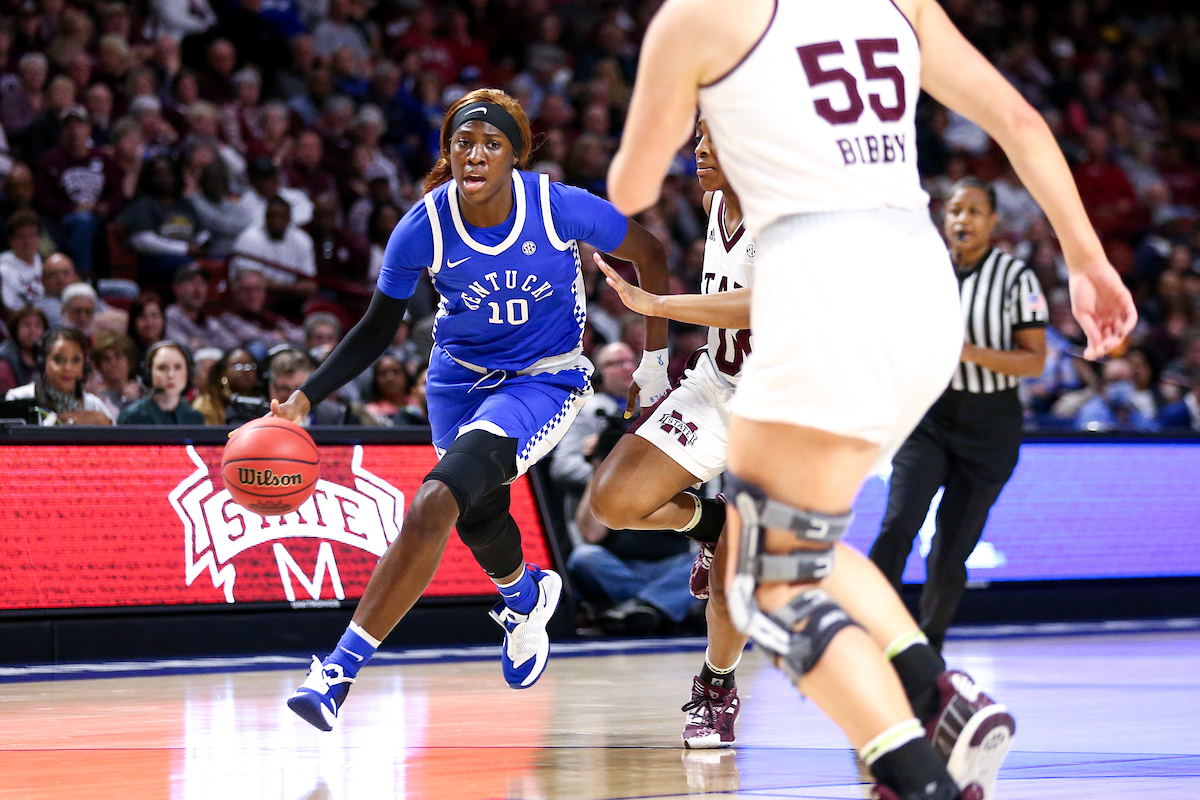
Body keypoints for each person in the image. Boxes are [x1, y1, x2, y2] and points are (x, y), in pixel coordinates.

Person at [607, 1, 1136, 799]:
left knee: (766, 581)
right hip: (920, 289)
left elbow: (632, 185)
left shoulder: (702, 16)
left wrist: (685, 91)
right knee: (794, 547)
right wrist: (1087, 259)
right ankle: (933, 702)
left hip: (821, 288)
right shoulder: (900, 2)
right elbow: (1021, 120)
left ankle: (920, 743)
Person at [276, 88, 671, 732]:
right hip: (455, 383)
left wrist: (652, 370)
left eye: (491, 144)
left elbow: (649, 253)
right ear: (448, 153)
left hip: (542, 380)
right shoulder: (424, 226)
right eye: (463, 142)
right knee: (477, 515)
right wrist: (306, 395)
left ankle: (336, 673)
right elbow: (378, 326)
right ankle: (524, 595)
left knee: (436, 500)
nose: (475, 154)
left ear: (515, 155)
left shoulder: (555, 207)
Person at [589, 119, 752, 748]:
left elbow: (759, 301)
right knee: (613, 500)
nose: (702, 149)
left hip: (779, 409)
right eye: (701, 136)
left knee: (737, 578)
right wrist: (657, 365)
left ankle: (717, 683)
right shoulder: (715, 203)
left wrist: (655, 308)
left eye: (718, 137)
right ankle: (708, 524)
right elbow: (656, 251)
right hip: (716, 385)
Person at [868, 179, 1048, 654]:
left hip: (990, 426)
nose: (962, 220)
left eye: (974, 211)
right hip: (928, 416)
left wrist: (967, 352)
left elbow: (1034, 361)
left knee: (950, 551)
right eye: (954, 210)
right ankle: (869, 637)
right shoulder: (924, 273)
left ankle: (929, 651)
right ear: (942, 218)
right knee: (897, 525)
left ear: (993, 221)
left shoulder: (1016, 278)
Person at [5, 326, 115, 426]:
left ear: (84, 367)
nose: (67, 367)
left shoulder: (94, 405)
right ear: (43, 363)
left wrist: (105, 422)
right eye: (58, 359)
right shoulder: (18, 398)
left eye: (75, 360)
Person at [118, 341, 205, 425]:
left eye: (178, 367)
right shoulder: (132, 418)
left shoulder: (195, 418)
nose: (171, 375)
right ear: (149, 373)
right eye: (162, 368)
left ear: (188, 372)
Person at [164, 264, 239, 352]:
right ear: (176, 288)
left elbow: (233, 346)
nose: (198, 289)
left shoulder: (209, 321)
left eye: (202, 282)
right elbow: (183, 349)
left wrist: (202, 344)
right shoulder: (168, 316)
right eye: (191, 281)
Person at [0, 209, 44, 311]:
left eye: (32, 236)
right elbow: (8, 308)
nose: (27, 241)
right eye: (22, 237)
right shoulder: (3, 269)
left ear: (40, 238)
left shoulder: (46, 264)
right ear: (11, 240)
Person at [0, 305, 47, 394]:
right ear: (15, 329)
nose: (32, 330)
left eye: (38, 325)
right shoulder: (4, 358)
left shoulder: (46, 352)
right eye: (26, 325)